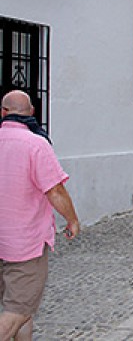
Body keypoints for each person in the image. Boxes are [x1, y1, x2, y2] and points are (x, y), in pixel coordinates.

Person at [0, 90, 79, 341]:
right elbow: (54, 190)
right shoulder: (35, 144)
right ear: (32, 112)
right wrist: (72, 220)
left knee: (26, 309)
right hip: (24, 244)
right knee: (18, 309)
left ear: (3, 113)